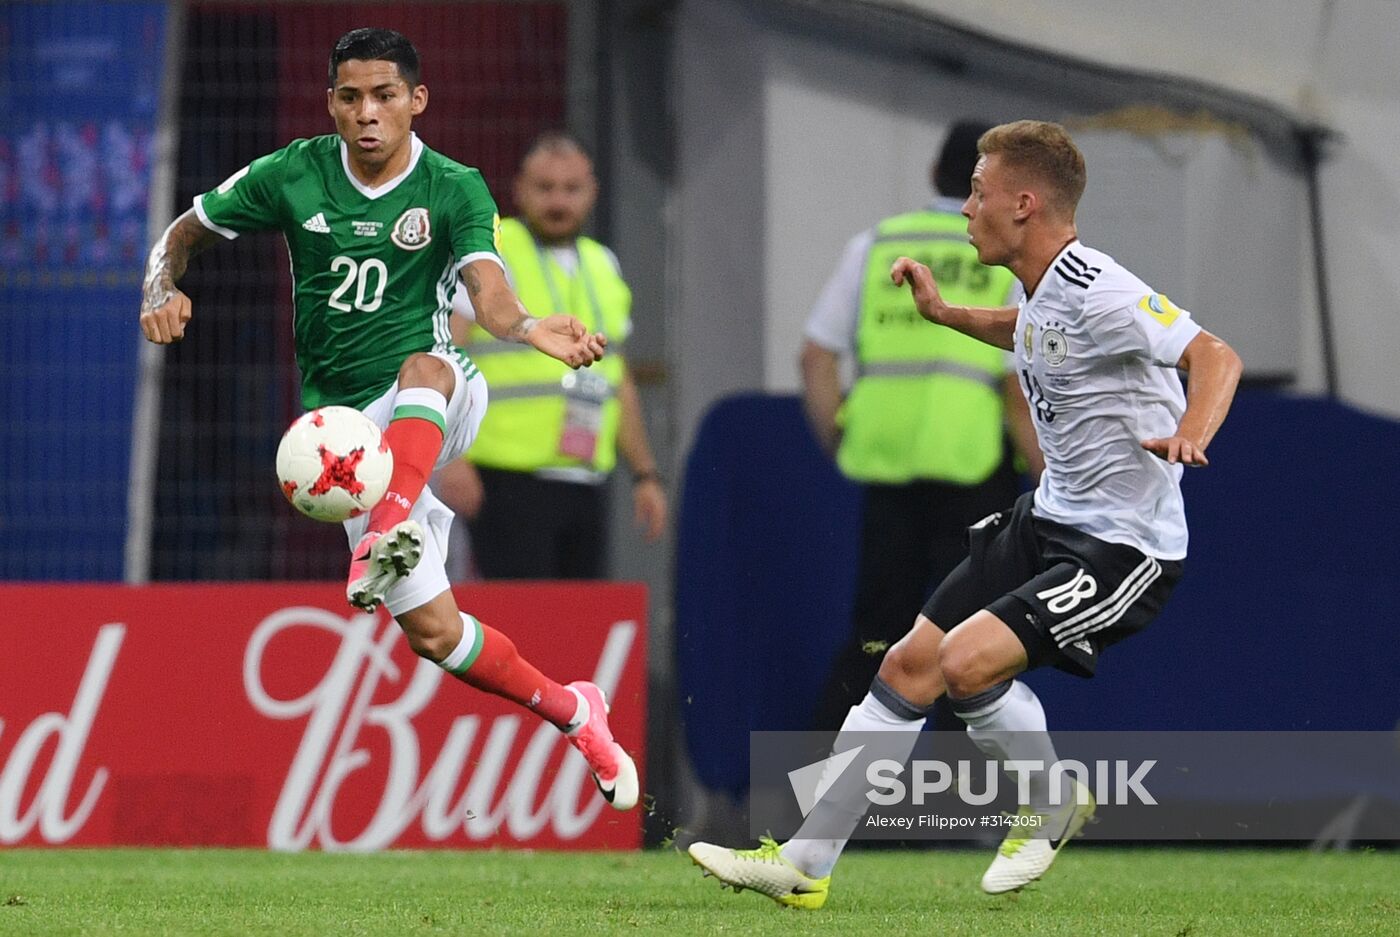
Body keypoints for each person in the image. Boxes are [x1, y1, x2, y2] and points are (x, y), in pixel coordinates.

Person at [688, 119, 1242, 905]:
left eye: (978, 193)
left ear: (1023, 202)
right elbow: (1031, 330)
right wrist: (947, 315)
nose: (964, 207)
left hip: (1122, 546)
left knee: (966, 663)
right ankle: (804, 864)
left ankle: (1051, 803)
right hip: (1047, 517)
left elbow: (1215, 355)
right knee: (906, 664)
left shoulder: (1102, 286)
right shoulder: (1045, 288)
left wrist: (1191, 431)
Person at [137, 28, 639, 811]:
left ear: (416, 101)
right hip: (342, 432)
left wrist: (527, 327)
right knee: (436, 634)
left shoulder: (452, 185)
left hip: (435, 399)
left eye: (384, 95)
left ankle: (389, 526)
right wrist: (159, 289)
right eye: (350, 96)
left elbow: (488, 286)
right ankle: (577, 710)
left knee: (427, 365)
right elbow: (183, 232)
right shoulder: (292, 174)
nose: (367, 112)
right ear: (331, 102)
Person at [801, 119, 1043, 732]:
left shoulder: (879, 244)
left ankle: (823, 799)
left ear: (936, 172)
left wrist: (840, 438)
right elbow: (1014, 385)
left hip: (886, 470)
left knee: (876, 638)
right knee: (974, 643)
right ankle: (965, 810)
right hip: (974, 473)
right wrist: (1046, 475)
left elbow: (816, 355)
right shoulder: (1002, 260)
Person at [437, 131, 667, 579]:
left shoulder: (603, 264)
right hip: (504, 478)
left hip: (584, 478)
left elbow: (617, 379)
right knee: (522, 620)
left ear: (592, 192)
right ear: (519, 188)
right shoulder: (492, 253)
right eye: (545, 188)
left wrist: (645, 474)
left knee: (575, 627)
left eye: (571, 188)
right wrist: (450, 458)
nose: (558, 201)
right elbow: (443, 352)